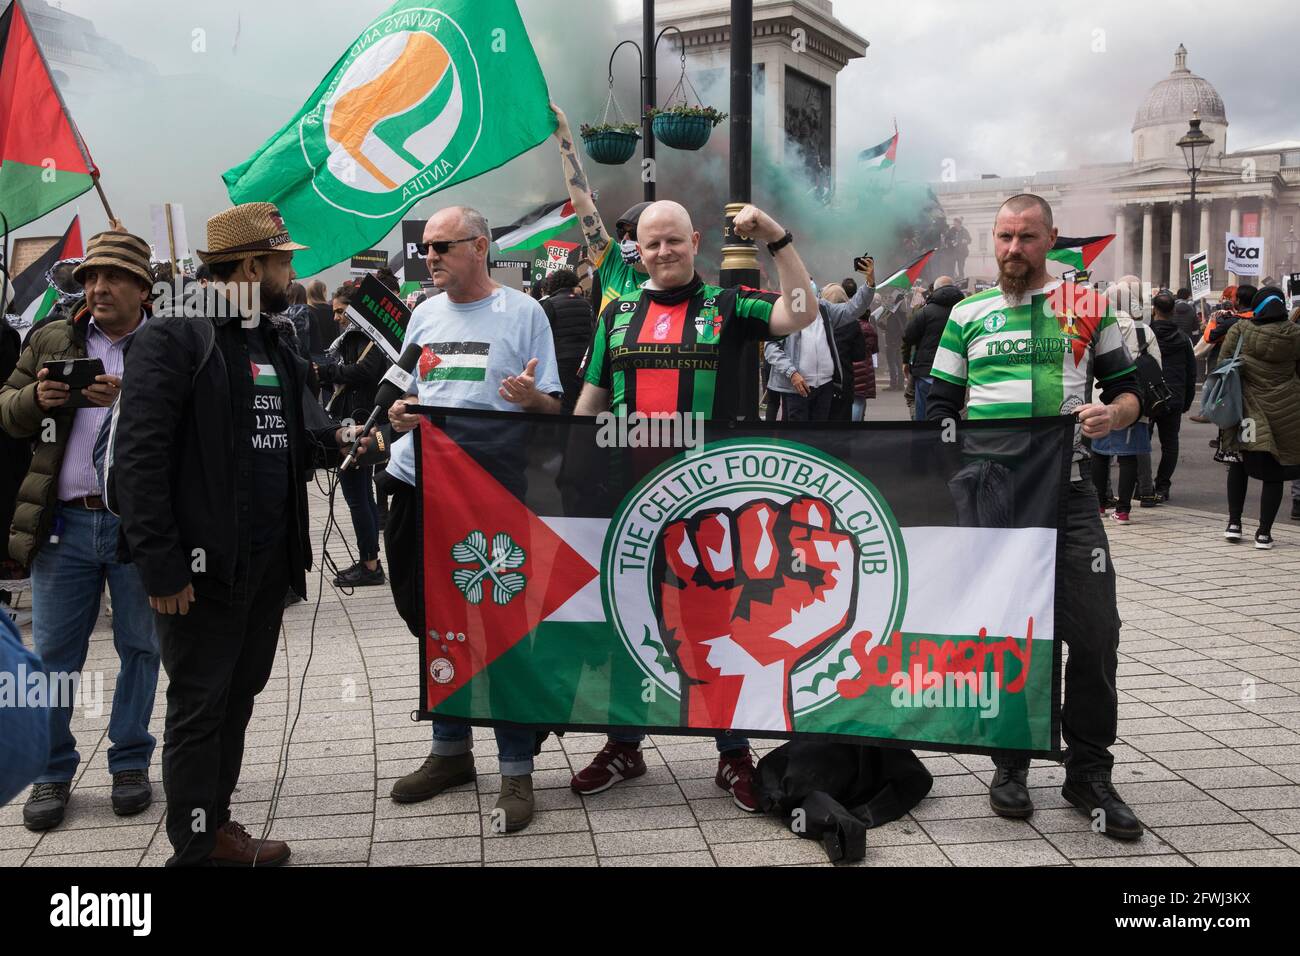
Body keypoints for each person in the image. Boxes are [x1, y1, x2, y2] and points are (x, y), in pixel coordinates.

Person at [113, 203, 367, 866]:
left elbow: (302, 435)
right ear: (251, 265)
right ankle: (194, 851)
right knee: (199, 709)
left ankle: (217, 827)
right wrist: (162, 568)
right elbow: (139, 461)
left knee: (237, 700)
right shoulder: (173, 336)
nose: (292, 271)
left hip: (267, 565)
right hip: (201, 572)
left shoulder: (271, 337)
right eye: (284, 260)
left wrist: (357, 437)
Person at [572, 198, 818, 811]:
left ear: (695, 240)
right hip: (633, 500)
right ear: (637, 247)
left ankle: (733, 752)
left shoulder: (730, 305)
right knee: (629, 618)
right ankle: (624, 743)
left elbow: (802, 312)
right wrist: (569, 472)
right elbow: (592, 400)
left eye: (673, 242)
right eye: (651, 243)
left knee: (718, 623)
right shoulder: (616, 313)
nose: (662, 253)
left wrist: (777, 239)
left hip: (717, 503)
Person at [927, 194, 1144, 841]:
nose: (1013, 248)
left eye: (1026, 236)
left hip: (1072, 492)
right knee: (1008, 633)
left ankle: (1089, 773)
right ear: (991, 242)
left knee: (1097, 630)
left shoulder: (1085, 306)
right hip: (995, 499)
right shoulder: (966, 313)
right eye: (1004, 237)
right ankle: (1011, 764)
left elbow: (1132, 392)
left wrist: (1113, 416)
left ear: (1050, 238)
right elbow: (938, 403)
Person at [381, 205, 562, 834]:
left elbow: (552, 406)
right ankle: (451, 752)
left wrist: (530, 399)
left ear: (479, 247)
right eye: (424, 248)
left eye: (440, 246)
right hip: (417, 483)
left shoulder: (524, 312)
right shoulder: (423, 313)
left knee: (498, 623)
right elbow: (407, 389)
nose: (427, 257)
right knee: (429, 618)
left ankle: (516, 766)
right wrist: (400, 417)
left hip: (489, 494)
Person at [0, 230, 161, 832]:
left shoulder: (169, 343)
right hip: (63, 525)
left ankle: (129, 760)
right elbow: (5, 407)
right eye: (90, 278)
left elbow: (197, 422)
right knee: (54, 658)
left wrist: (131, 398)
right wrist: (35, 399)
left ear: (144, 289)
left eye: (113, 278)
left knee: (141, 649)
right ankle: (49, 771)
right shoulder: (51, 337)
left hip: (136, 528)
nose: (97, 288)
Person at [318, 282, 390, 587]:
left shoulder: (364, 338)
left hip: (359, 421)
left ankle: (370, 564)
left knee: (357, 496)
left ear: (356, 311)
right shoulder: (351, 339)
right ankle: (370, 559)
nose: (335, 317)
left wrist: (327, 373)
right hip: (354, 418)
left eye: (340, 311)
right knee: (361, 495)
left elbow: (366, 372)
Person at [1218, 286, 1300, 548]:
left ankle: (1234, 523)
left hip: (1246, 408)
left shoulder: (1240, 330)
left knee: (1239, 461)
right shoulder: (1295, 335)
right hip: (1287, 409)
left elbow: (1223, 365)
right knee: (1275, 471)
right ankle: (1264, 533)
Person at [549, 105, 648, 318]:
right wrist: (564, 137)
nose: (627, 239)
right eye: (623, 234)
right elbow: (582, 201)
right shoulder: (614, 262)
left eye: (634, 233)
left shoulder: (673, 283)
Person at [1090, 277, 1160, 523]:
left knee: (1099, 454)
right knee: (1129, 456)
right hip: (1134, 400)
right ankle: (1123, 509)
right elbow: (1156, 367)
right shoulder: (1144, 330)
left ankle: (1099, 505)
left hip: (1100, 399)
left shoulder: (1097, 326)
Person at [765, 270, 875, 421]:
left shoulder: (824, 308)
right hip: (797, 388)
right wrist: (792, 373)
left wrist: (869, 284)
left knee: (819, 436)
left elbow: (852, 309)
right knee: (799, 437)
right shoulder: (784, 312)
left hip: (825, 386)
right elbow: (771, 348)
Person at [1138, 290, 1197, 502]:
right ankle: (1162, 485)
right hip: (1174, 395)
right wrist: (1187, 400)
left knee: (1142, 441)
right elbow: (1191, 372)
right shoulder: (1183, 339)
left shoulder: (1145, 335)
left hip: (1148, 395)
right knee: (1170, 444)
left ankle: (1141, 485)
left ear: (1154, 311)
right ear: (1173, 312)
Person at [901, 276, 963, 422]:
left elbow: (908, 337)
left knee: (923, 417)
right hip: (956, 373)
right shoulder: (965, 311)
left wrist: (905, 361)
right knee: (951, 413)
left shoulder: (924, 312)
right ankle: (950, 441)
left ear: (934, 290)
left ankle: (923, 443)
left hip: (925, 372)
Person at [538, 268, 596, 414]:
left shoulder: (550, 304)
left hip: (562, 360)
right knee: (581, 399)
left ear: (553, 285)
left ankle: (566, 434)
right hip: (584, 360)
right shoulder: (585, 303)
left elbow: (543, 334)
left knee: (566, 402)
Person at [850, 290, 880, 421]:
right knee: (860, 399)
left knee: (854, 398)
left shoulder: (850, 325)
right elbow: (874, 349)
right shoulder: (871, 329)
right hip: (865, 365)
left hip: (851, 365)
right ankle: (858, 425)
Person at [306, 279, 335, 364]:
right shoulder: (333, 310)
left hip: (313, 355)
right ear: (323, 292)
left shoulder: (306, 311)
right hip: (331, 354)